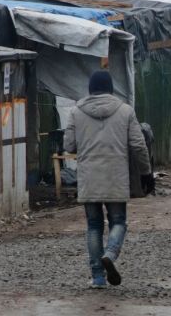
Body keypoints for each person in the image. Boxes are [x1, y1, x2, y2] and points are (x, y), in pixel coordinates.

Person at [64, 70, 153, 288]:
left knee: (94, 226)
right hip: (116, 177)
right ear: (111, 89)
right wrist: (146, 173)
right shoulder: (125, 111)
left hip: (89, 178)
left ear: (90, 90)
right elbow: (139, 145)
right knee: (118, 221)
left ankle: (98, 277)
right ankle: (111, 254)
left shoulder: (76, 112)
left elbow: (68, 146)